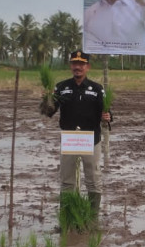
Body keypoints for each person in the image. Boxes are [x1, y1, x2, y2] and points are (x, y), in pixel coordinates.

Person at [41, 50, 111, 213]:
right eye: (74, 64)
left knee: (93, 179)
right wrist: (46, 99)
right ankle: (67, 216)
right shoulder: (61, 87)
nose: (77, 67)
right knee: (67, 181)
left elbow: (106, 113)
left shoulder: (97, 89)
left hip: (91, 139)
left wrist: (107, 116)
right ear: (70, 65)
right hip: (70, 140)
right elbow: (49, 112)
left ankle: (92, 217)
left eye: (81, 64)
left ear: (88, 67)